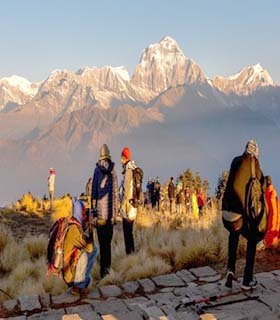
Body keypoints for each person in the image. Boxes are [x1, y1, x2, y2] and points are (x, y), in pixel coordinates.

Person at [222, 140, 266, 290]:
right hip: (242, 214)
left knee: (234, 235)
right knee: (252, 238)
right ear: (255, 152)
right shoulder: (254, 164)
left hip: (227, 214)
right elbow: (261, 186)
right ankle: (247, 280)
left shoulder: (236, 160)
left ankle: (230, 270)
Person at [91, 144, 119, 278]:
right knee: (108, 246)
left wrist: (94, 214)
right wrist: (115, 215)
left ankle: (103, 274)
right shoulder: (114, 171)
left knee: (102, 246)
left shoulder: (97, 171)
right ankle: (108, 272)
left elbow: (94, 194)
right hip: (110, 216)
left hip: (101, 217)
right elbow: (115, 194)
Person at [63, 199, 99, 295]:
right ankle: (78, 285)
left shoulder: (72, 224)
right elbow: (90, 248)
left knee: (89, 251)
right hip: (69, 274)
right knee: (93, 251)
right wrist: (91, 227)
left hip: (68, 268)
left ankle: (80, 283)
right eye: (84, 212)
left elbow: (83, 241)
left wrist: (86, 225)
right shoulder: (74, 230)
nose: (85, 215)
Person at [120, 147, 139, 255]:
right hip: (134, 206)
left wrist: (122, 206)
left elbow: (126, 191)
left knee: (127, 233)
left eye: (121, 158)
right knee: (130, 232)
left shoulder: (128, 171)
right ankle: (132, 254)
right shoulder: (134, 168)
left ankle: (129, 255)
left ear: (124, 158)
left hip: (128, 207)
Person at [263, 176, 279, 248]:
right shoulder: (272, 193)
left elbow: (274, 214)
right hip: (274, 235)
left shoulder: (270, 193)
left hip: (272, 236)